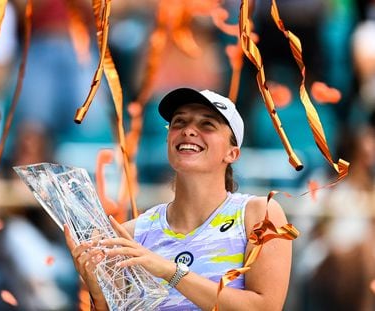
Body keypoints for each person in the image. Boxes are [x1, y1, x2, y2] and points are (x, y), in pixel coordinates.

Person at [64, 87, 293, 310]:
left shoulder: (260, 213)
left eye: (207, 124)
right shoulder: (132, 234)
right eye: (179, 122)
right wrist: (99, 295)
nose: (188, 131)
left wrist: (171, 272)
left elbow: (266, 307)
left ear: (232, 153)